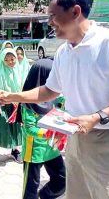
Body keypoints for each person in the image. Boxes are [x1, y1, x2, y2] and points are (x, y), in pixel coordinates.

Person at [0, 0, 109, 199]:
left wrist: (98, 117)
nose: (49, 21)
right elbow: (50, 90)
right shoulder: (63, 52)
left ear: (75, 11)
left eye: (53, 15)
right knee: (78, 194)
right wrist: (13, 96)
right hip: (75, 137)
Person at [20, 59, 66, 199]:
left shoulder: (54, 96)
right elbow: (30, 129)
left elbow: (63, 108)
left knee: (62, 179)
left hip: (51, 148)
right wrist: (50, 132)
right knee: (30, 188)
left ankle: (45, 195)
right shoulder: (28, 103)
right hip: (34, 151)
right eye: (51, 75)